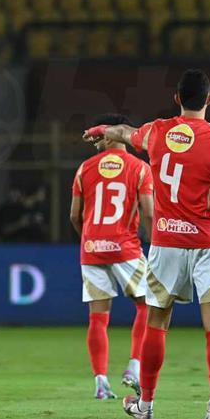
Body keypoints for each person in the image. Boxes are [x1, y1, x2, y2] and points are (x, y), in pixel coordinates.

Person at [83, 69, 210, 419]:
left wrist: (101, 130)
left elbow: (124, 133)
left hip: (167, 242)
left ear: (177, 98)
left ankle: (146, 405)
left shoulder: (156, 132)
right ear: (209, 99)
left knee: (156, 323)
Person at [70, 113, 154, 400]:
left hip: (92, 248)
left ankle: (100, 382)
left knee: (98, 316)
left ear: (108, 135)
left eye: (99, 137)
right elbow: (148, 212)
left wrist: (90, 239)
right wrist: (154, 243)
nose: (96, 141)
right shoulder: (140, 168)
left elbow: (74, 215)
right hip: (124, 246)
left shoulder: (84, 168)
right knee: (148, 304)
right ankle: (134, 367)